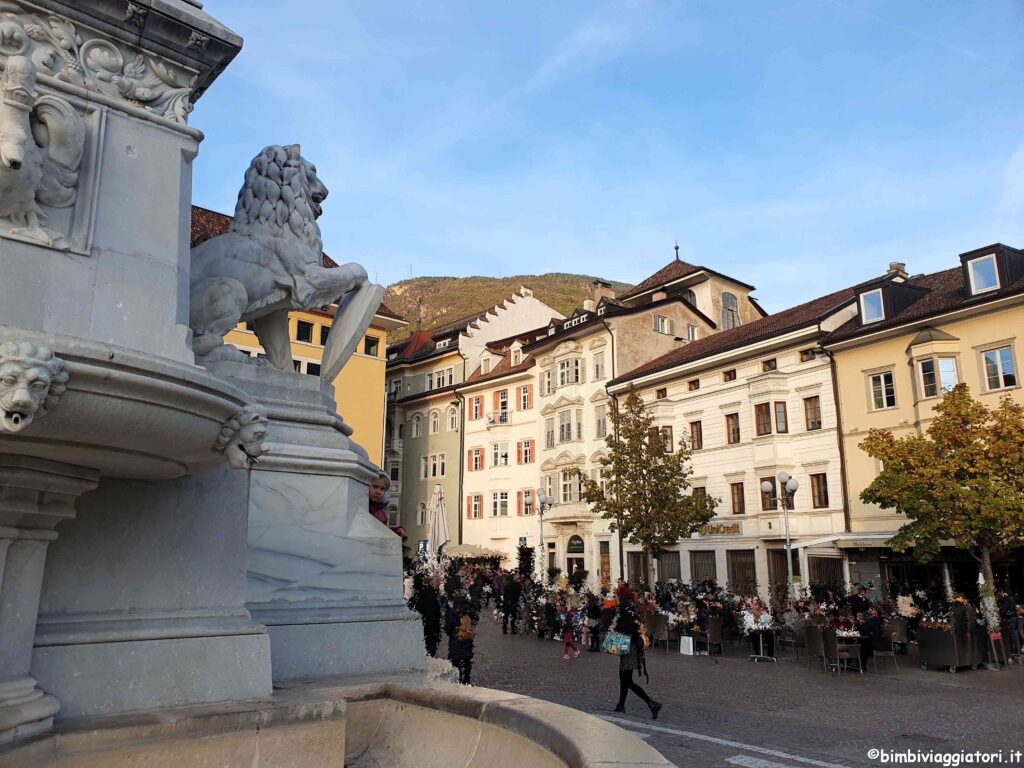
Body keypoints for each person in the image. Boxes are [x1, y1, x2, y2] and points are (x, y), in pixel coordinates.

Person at [612, 587, 661, 719]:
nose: (615, 598)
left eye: (617, 596)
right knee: (624, 677)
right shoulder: (630, 609)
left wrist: (616, 629)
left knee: (627, 679)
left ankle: (652, 703)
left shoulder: (623, 610)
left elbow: (627, 629)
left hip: (628, 646)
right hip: (630, 646)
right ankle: (620, 705)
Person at [445, 590, 477, 684]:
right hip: (467, 638)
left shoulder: (453, 610)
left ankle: (457, 679)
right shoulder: (470, 608)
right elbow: (475, 619)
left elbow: (448, 626)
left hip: (456, 638)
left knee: (456, 660)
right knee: (467, 660)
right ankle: (466, 679)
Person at [368, 473, 407, 541]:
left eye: (382, 489)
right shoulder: (362, 505)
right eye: (375, 487)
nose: (378, 492)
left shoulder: (382, 513)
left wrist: (397, 531)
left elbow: (382, 531)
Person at [415, 574, 442, 657]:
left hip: (428, 624)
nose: (439, 584)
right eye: (437, 581)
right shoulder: (429, 593)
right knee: (430, 647)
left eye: (439, 581)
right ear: (432, 582)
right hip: (429, 625)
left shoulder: (429, 592)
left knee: (429, 646)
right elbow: (431, 611)